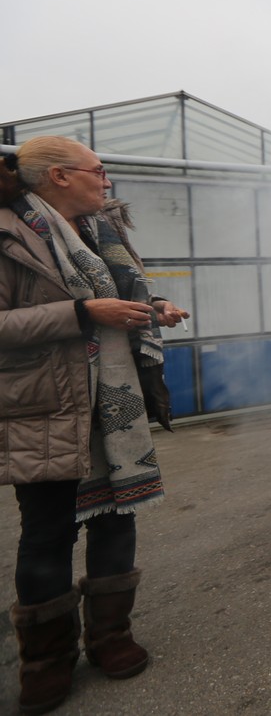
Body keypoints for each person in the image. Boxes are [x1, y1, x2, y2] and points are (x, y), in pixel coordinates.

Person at [2, 136, 188, 712]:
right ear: (59, 176)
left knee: (116, 518)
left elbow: (118, 293)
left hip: (112, 405)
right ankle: (45, 662)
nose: (106, 181)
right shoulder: (9, 232)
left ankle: (111, 637)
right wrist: (83, 313)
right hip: (48, 406)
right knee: (47, 534)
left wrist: (153, 309)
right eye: (97, 170)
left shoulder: (100, 232)